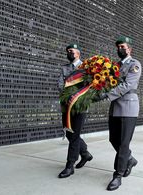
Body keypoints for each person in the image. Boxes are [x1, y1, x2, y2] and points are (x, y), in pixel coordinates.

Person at [96, 36, 142, 191]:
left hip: (128, 107)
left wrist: (107, 95)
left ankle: (118, 175)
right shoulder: (113, 66)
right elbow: (107, 82)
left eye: (122, 47)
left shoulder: (134, 64)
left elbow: (128, 84)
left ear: (129, 49)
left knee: (123, 143)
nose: (120, 49)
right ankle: (129, 159)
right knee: (113, 139)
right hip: (115, 107)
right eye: (118, 47)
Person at [57, 43, 93, 178]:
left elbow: (89, 87)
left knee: (75, 134)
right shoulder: (64, 68)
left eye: (71, 51)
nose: (69, 53)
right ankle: (85, 154)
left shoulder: (87, 68)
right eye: (68, 51)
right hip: (66, 105)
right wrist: (68, 96)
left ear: (78, 53)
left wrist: (77, 97)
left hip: (80, 106)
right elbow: (60, 84)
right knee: (69, 133)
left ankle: (69, 165)